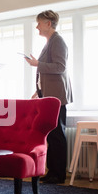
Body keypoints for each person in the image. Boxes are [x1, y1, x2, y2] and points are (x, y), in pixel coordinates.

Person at [25, 10, 73, 184]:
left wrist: (38, 63)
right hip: (48, 95)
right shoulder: (50, 42)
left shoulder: (58, 41)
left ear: (48, 23)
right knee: (52, 134)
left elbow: (60, 67)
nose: (37, 26)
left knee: (57, 134)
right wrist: (38, 91)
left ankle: (58, 174)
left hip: (56, 96)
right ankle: (53, 171)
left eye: (39, 23)